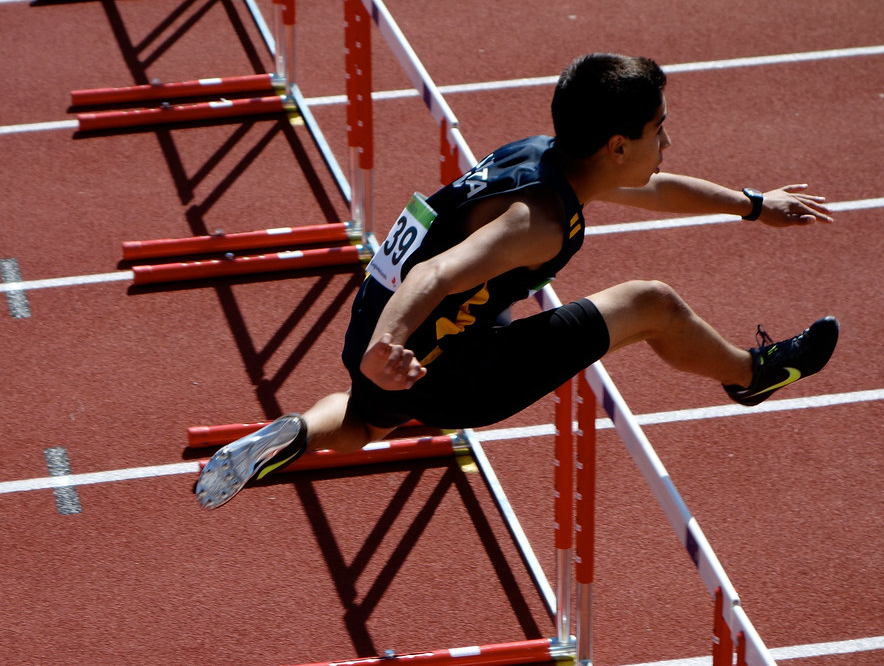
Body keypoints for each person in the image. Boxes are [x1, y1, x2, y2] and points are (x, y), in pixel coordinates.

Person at [196, 53, 839, 510]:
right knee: (651, 304)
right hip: (434, 356)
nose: (667, 140)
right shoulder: (540, 224)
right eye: (659, 129)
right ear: (616, 146)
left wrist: (752, 204)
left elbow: (654, 187)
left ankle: (295, 436)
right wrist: (388, 346)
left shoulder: (538, 151)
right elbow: (439, 271)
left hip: (380, 318)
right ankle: (750, 377)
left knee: (367, 419)